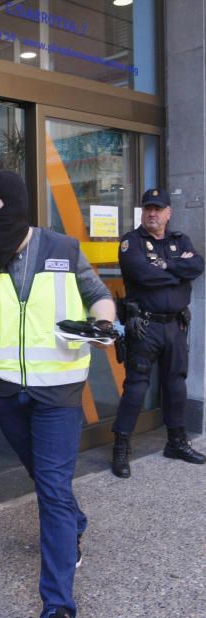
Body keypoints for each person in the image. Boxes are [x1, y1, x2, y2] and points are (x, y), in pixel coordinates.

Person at [0, 170, 115, 618]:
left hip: (59, 392)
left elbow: (98, 297)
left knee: (52, 489)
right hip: (3, 391)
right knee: (43, 477)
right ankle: (76, 521)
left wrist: (102, 324)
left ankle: (57, 610)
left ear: (16, 206)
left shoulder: (62, 249)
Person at [111, 188, 205, 478]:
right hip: (145, 326)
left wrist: (165, 265)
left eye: (158, 208)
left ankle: (176, 442)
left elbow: (198, 265)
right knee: (136, 387)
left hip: (175, 326)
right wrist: (178, 271)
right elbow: (143, 275)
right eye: (148, 208)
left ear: (168, 213)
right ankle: (121, 448)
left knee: (176, 384)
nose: (153, 213)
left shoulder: (180, 240)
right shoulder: (132, 242)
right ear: (142, 212)